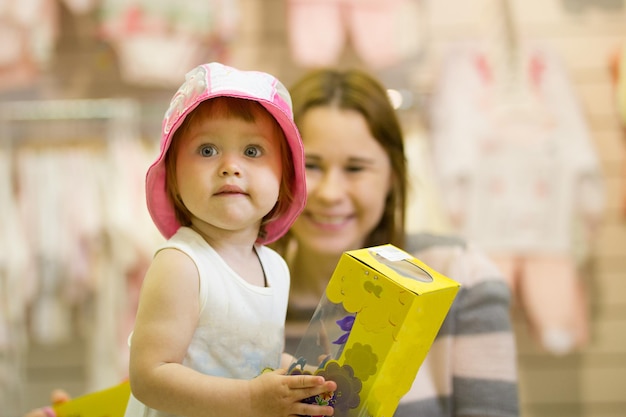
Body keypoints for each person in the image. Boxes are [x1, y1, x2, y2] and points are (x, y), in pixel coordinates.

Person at [24, 67, 517, 417]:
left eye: (253, 151)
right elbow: (154, 377)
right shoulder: (180, 265)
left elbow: (250, 359)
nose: (230, 165)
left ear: (283, 181)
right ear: (172, 178)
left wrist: (301, 379)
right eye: (207, 149)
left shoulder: (272, 268)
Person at [274, 68, 519, 417]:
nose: (330, 193)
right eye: (310, 165)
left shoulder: (461, 273)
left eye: (356, 168)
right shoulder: (247, 299)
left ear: (393, 177)